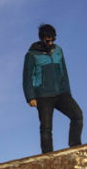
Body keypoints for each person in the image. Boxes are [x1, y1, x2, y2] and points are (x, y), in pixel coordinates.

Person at [23, 23, 83, 153]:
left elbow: (64, 72)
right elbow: (27, 77)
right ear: (41, 38)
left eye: (53, 40)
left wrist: (68, 92)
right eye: (48, 40)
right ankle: (48, 155)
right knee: (46, 128)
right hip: (43, 95)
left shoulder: (58, 51)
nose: (50, 43)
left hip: (61, 93)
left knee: (77, 115)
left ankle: (75, 146)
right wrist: (30, 96)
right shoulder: (32, 55)